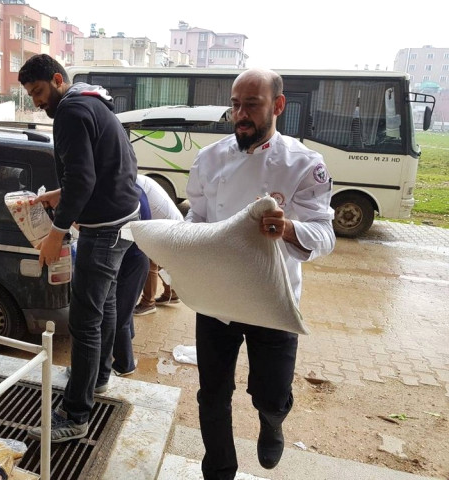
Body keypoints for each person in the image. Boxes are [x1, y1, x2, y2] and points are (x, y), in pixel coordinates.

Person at [185, 68, 335, 478]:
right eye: (235, 105)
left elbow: (325, 234)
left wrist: (287, 228)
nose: (240, 115)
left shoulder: (304, 163)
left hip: (273, 297)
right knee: (212, 393)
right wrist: (185, 243)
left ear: (278, 106)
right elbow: (196, 214)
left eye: (251, 105)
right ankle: (219, 466)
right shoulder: (208, 158)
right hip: (217, 297)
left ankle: (272, 421)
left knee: (270, 393)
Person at [18, 54, 140, 443]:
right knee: (103, 307)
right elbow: (101, 169)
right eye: (30, 95)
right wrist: (58, 195)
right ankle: (98, 377)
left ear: (57, 79)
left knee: (85, 321)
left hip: (102, 230)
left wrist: (56, 233)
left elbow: (82, 178)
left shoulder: (71, 111)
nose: (37, 102)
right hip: (123, 221)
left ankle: (76, 414)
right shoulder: (93, 101)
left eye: (38, 91)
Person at [97, 174, 183, 381]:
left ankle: (125, 364)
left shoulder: (127, 193)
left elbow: (116, 232)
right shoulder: (133, 186)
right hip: (136, 257)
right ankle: (127, 342)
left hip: (135, 259)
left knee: (118, 315)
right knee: (122, 310)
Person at [133, 180, 184, 316]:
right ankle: (172, 293)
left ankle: (148, 303)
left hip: (166, 226)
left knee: (149, 259)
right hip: (171, 223)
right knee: (161, 260)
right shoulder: (137, 178)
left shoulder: (132, 183)